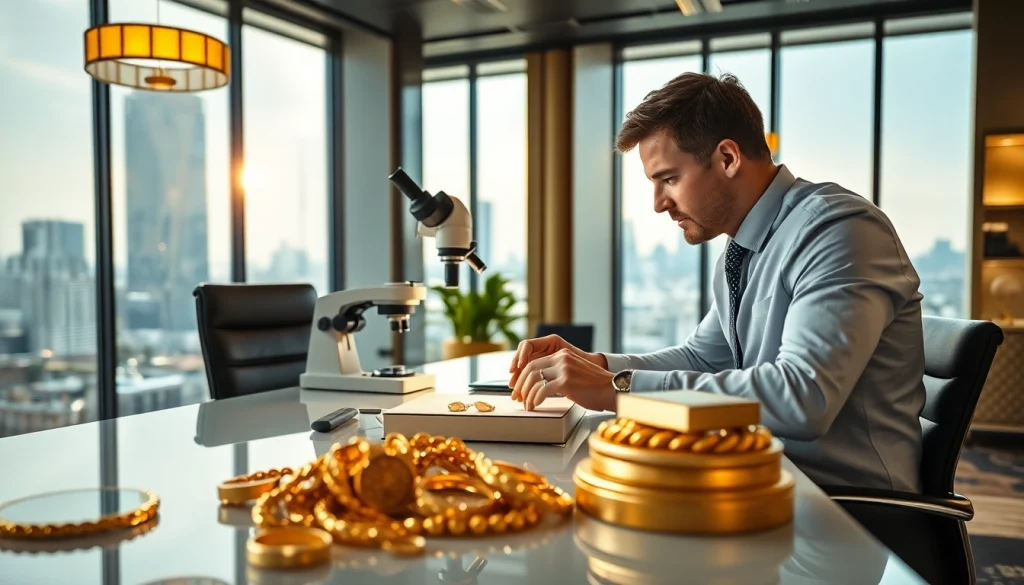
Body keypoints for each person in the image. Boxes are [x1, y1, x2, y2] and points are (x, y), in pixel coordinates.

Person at [508, 71, 926, 492]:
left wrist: (620, 389)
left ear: (727, 158)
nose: (658, 205)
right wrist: (597, 367)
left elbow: (804, 398)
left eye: (668, 179)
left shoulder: (838, 230)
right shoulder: (741, 248)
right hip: (767, 481)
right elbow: (703, 359)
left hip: (849, 512)